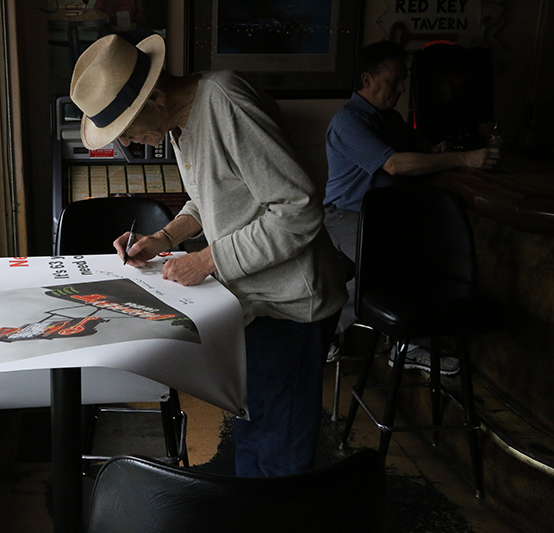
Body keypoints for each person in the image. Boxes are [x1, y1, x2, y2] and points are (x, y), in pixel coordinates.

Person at [70, 33, 346, 477]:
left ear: (155, 94)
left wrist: (206, 260)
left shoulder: (225, 103)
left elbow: (298, 209)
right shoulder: (179, 118)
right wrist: (164, 236)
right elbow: (210, 198)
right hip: (253, 301)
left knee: (281, 447)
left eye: (130, 129)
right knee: (252, 425)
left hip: (290, 304)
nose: (134, 144)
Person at [324, 40, 500, 374]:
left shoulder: (387, 119)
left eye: (403, 79)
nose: (402, 88)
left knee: (416, 262)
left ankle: (394, 341)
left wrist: (438, 149)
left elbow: (417, 151)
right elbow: (394, 165)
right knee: (391, 269)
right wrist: (464, 158)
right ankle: (391, 344)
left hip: (386, 218)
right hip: (347, 215)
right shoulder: (349, 122)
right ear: (368, 81)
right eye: (395, 80)